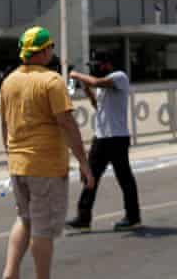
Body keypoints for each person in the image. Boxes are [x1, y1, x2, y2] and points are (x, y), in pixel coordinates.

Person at [0, 26, 94, 279]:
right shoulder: (51, 81)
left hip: (18, 164)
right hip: (46, 166)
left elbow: (4, 125)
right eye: (51, 47)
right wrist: (84, 163)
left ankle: (10, 272)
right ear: (43, 51)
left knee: (24, 218)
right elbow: (67, 123)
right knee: (42, 229)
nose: (52, 51)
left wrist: (11, 156)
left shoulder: (8, 82)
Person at [66, 52, 142, 232]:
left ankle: (133, 216)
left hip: (117, 137)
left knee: (124, 178)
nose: (95, 67)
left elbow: (96, 82)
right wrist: (85, 89)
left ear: (107, 64)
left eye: (97, 64)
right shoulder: (102, 83)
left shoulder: (119, 77)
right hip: (101, 137)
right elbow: (97, 106)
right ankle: (84, 218)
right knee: (90, 176)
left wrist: (76, 75)